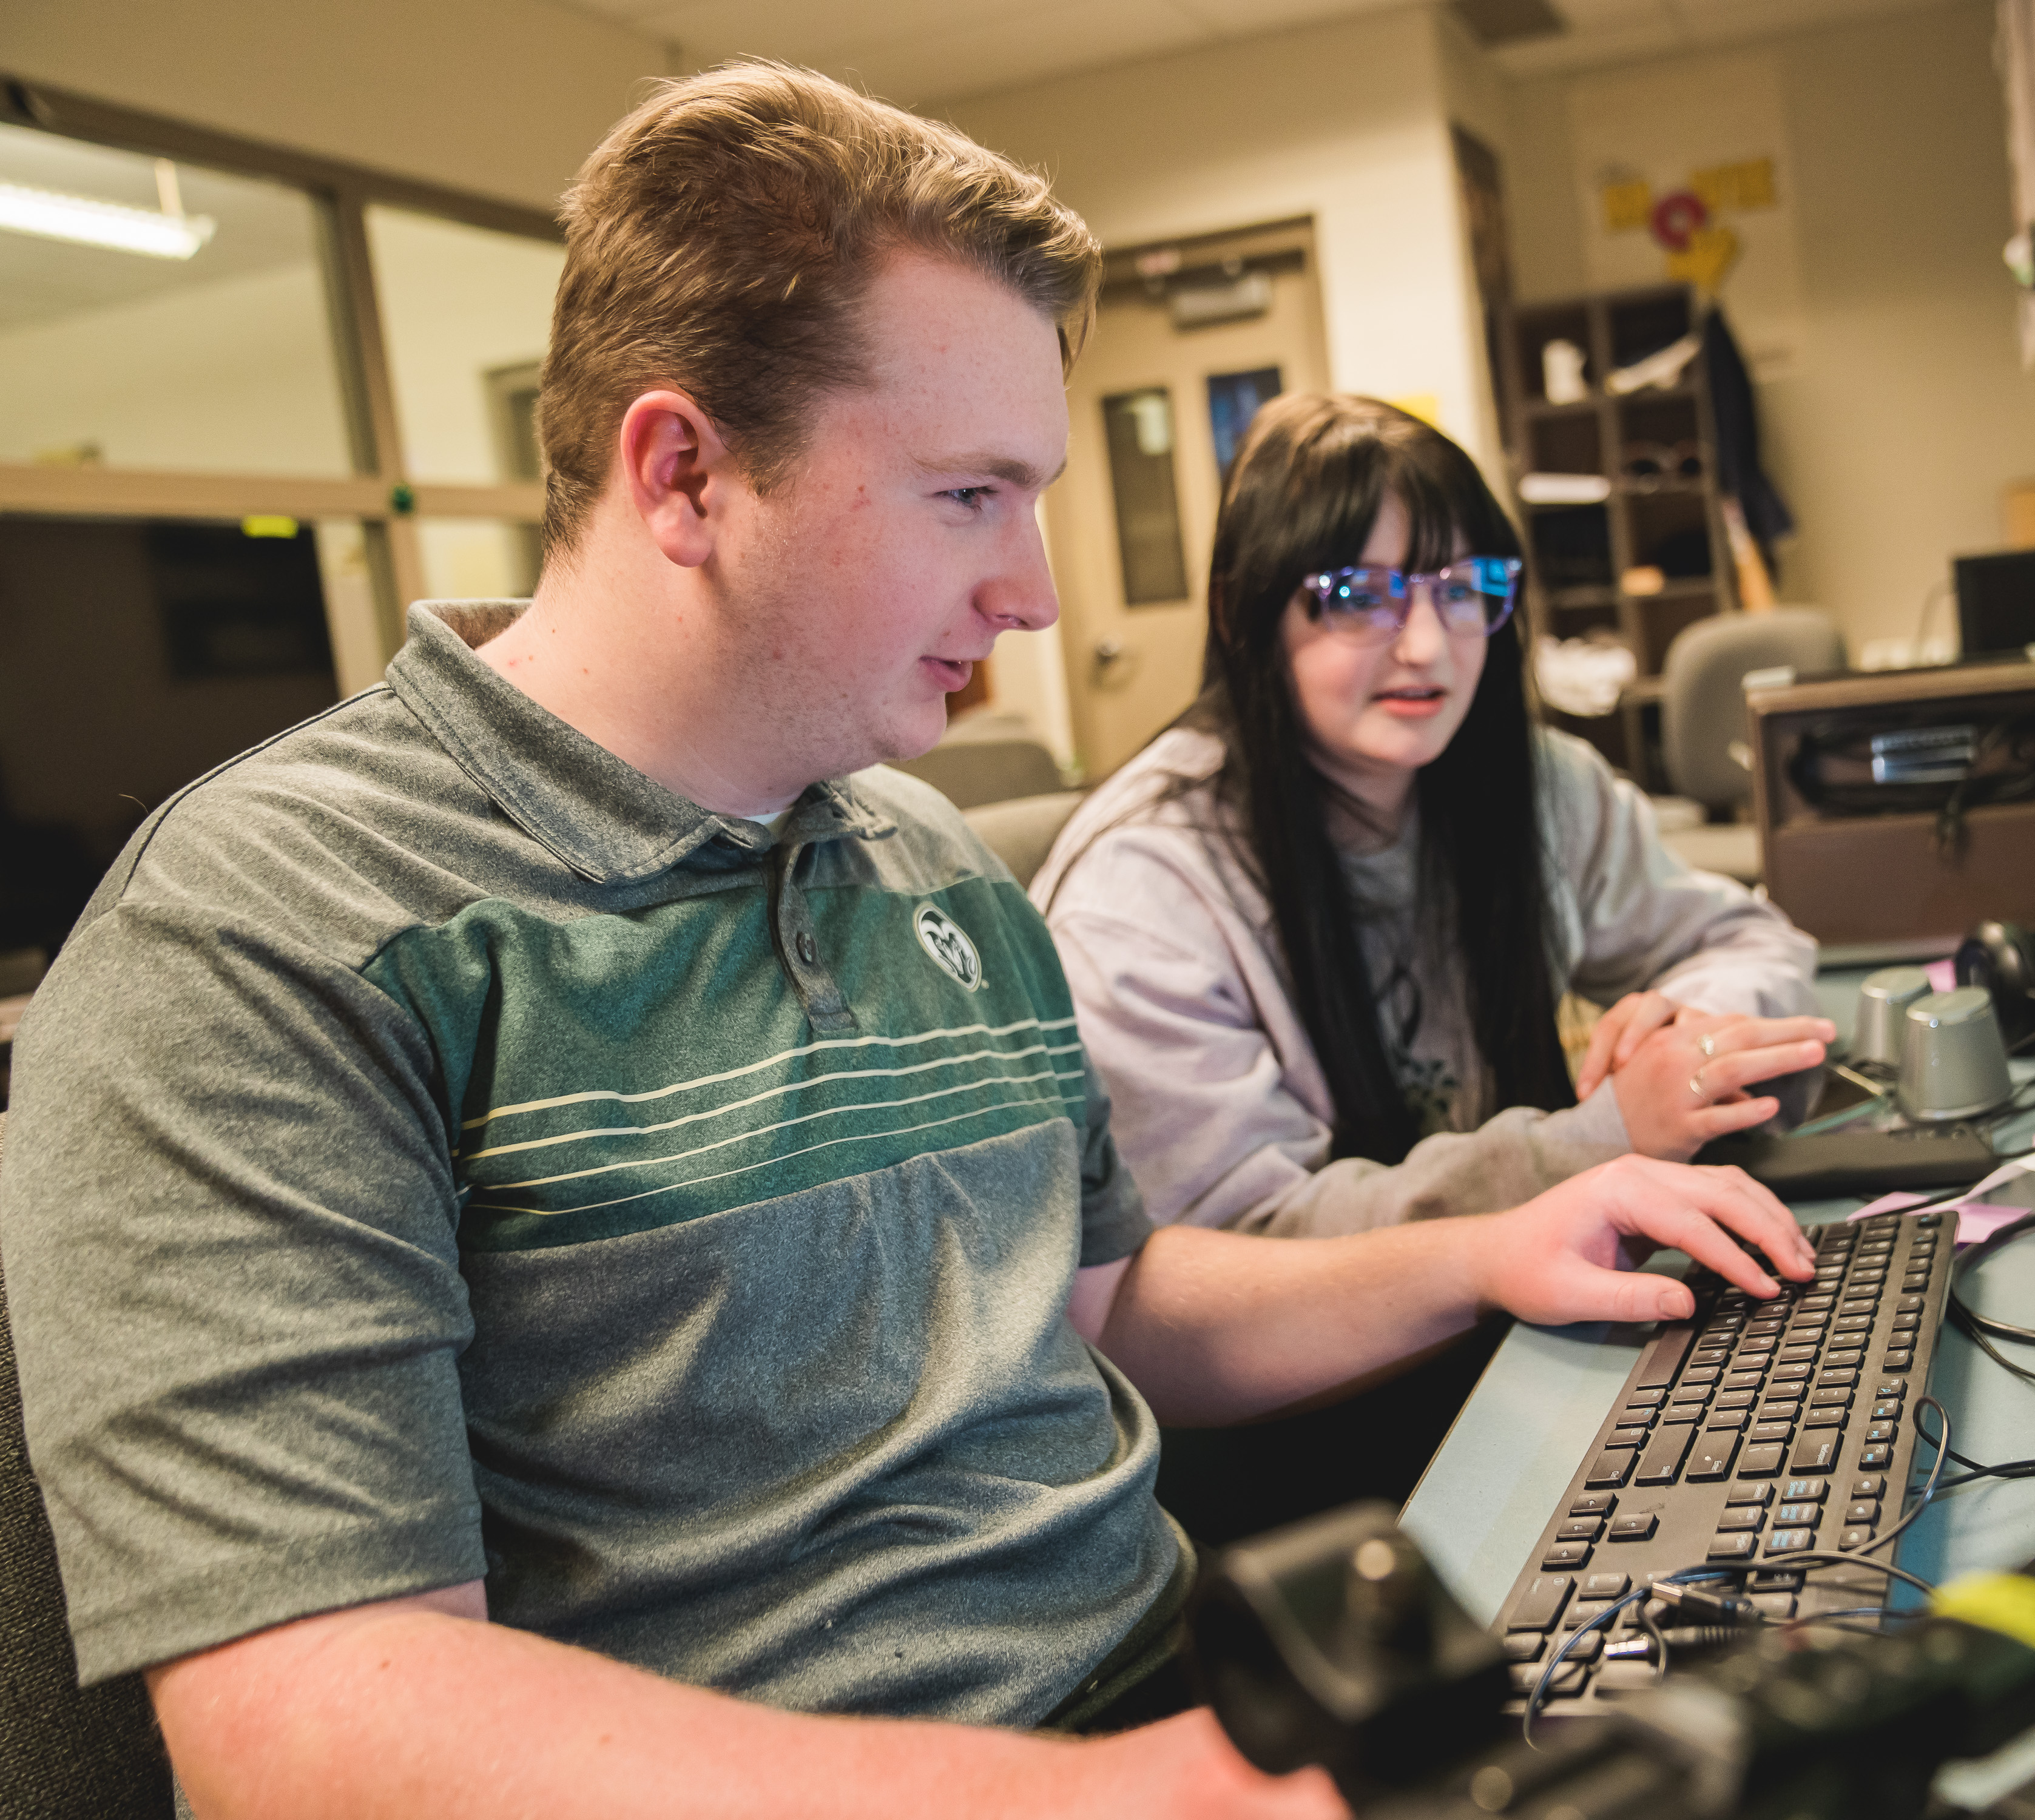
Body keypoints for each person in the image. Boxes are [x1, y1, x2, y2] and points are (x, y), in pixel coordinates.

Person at [0, 66, 1816, 1820]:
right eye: (969, 497)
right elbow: (304, 1740)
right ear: (685, 475)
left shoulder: (922, 857)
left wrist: (1498, 1245)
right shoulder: (269, 940)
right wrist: (1123, 1804)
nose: (1031, 587)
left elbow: (1110, 1300)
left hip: (1157, 1709)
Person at [1033, 393, 1834, 1244]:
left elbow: (1751, 943)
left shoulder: (1536, 783)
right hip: (1345, 1365)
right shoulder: (1146, 890)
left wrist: (1697, 1030)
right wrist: (1599, 1140)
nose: (1425, 645)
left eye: (1462, 589)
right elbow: (1246, 1249)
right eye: (1357, 595)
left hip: (1533, 1314)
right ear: (1242, 614)